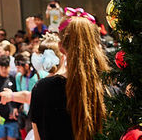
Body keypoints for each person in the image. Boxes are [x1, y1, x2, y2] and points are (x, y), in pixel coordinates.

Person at [27, 11, 107, 140]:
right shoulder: (109, 89)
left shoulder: (43, 88)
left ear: (61, 47)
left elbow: (38, 136)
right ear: (97, 46)